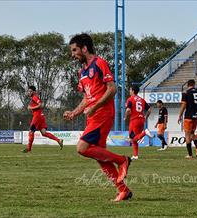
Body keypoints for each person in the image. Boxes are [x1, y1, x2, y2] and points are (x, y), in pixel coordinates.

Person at [64, 33, 132, 202]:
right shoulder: (82, 72)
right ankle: (123, 191)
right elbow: (87, 97)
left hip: (102, 113)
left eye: (74, 50)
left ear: (84, 48)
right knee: (99, 156)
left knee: (82, 148)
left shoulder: (99, 63)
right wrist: (74, 112)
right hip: (93, 115)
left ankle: (122, 160)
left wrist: (94, 107)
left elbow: (112, 89)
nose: (73, 54)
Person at [22, 85, 63, 153]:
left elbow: (41, 105)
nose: (29, 92)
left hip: (37, 116)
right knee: (44, 133)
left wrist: (31, 108)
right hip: (41, 116)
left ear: (34, 92)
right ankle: (58, 140)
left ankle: (29, 148)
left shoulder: (34, 97)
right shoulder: (34, 97)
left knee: (31, 132)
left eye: (30, 91)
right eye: (28, 91)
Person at [125, 85, 153, 160]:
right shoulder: (142, 100)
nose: (129, 91)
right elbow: (149, 109)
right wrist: (146, 117)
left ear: (133, 91)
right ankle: (135, 155)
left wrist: (125, 117)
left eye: (130, 89)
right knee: (136, 138)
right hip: (141, 120)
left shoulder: (130, 99)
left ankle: (145, 132)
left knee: (132, 137)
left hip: (134, 120)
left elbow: (128, 110)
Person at [178, 79, 197, 159]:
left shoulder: (185, 92)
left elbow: (184, 105)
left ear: (187, 85)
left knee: (187, 135)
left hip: (188, 116)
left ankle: (190, 155)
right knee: (192, 133)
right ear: (194, 84)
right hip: (196, 115)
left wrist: (180, 115)